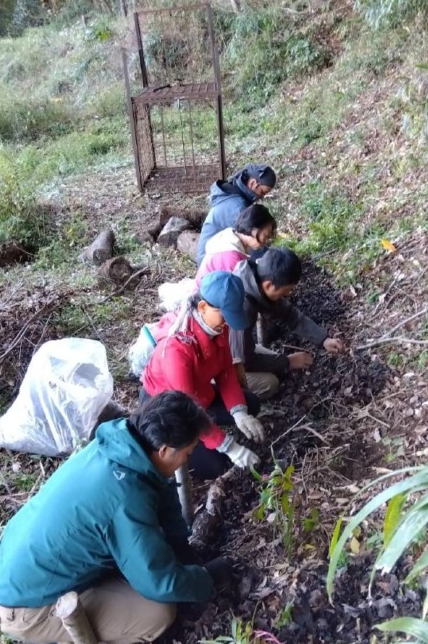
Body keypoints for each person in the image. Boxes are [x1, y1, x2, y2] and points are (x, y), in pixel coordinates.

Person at [0, 392, 234, 644]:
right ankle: (59, 639)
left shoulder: (121, 447)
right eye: (187, 453)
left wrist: (183, 551)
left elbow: (162, 500)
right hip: (27, 605)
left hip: (18, 565)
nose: (187, 461)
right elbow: (160, 583)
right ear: (164, 450)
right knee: (158, 613)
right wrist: (204, 580)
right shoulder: (125, 496)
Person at [142, 271, 264, 481]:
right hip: (171, 409)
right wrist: (229, 446)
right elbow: (187, 408)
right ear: (203, 308)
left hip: (199, 393)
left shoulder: (217, 327)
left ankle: (213, 432)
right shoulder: (177, 349)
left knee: (250, 404)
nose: (227, 323)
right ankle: (198, 444)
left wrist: (238, 412)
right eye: (224, 315)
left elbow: (225, 371)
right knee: (218, 465)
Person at [230, 247, 345, 400]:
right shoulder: (242, 305)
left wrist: (323, 339)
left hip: (237, 348)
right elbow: (242, 361)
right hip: (219, 365)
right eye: (286, 291)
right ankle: (222, 401)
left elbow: (289, 315)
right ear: (269, 285)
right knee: (270, 383)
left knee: (276, 364)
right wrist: (289, 361)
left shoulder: (255, 280)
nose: (288, 295)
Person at [196, 162, 277, 265]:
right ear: (253, 183)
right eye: (262, 192)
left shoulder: (233, 195)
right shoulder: (237, 207)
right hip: (212, 266)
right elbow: (253, 243)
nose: (261, 197)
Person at [194, 204, 276, 288]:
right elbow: (240, 288)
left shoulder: (229, 238)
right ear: (253, 229)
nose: (266, 241)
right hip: (205, 297)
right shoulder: (232, 256)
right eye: (266, 236)